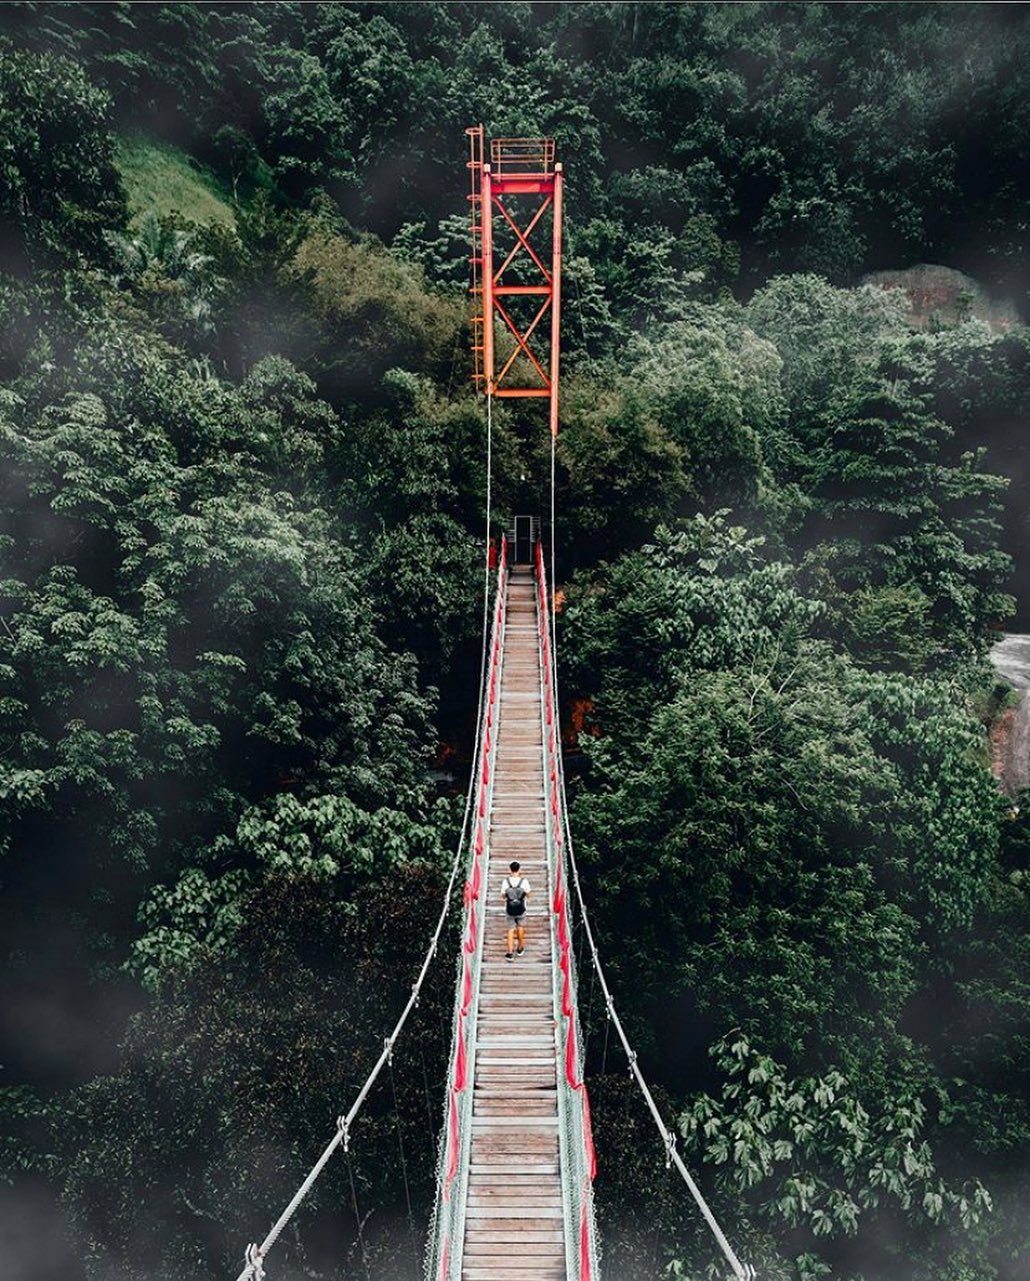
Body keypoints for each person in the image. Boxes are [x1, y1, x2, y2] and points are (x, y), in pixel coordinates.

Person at [501, 860, 530, 961]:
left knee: (510, 930)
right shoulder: (524, 881)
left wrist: (511, 896)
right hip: (521, 908)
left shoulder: (506, 882)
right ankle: (520, 948)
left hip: (510, 909)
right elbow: (529, 894)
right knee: (520, 927)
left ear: (510, 870)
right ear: (519, 870)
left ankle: (509, 953)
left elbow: (503, 896)